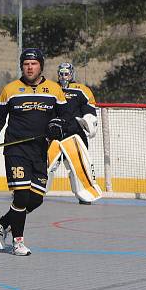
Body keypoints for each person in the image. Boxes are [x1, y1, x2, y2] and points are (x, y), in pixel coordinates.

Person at [0, 47, 73, 256]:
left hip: (39, 151)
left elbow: (66, 117)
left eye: (33, 64)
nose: (29, 67)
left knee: (35, 199)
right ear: (21, 66)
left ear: (41, 66)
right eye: (26, 64)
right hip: (15, 149)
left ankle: (2, 223)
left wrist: (57, 125)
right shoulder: (10, 90)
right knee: (21, 196)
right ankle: (18, 243)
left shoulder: (54, 90)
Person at [50, 62, 101, 204]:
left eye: (66, 73)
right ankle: (33, 191)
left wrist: (89, 120)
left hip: (75, 135)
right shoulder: (52, 88)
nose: (63, 76)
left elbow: (89, 108)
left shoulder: (82, 90)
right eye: (61, 73)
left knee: (78, 165)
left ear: (72, 74)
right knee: (47, 164)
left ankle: (85, 193)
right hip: (53, 134)